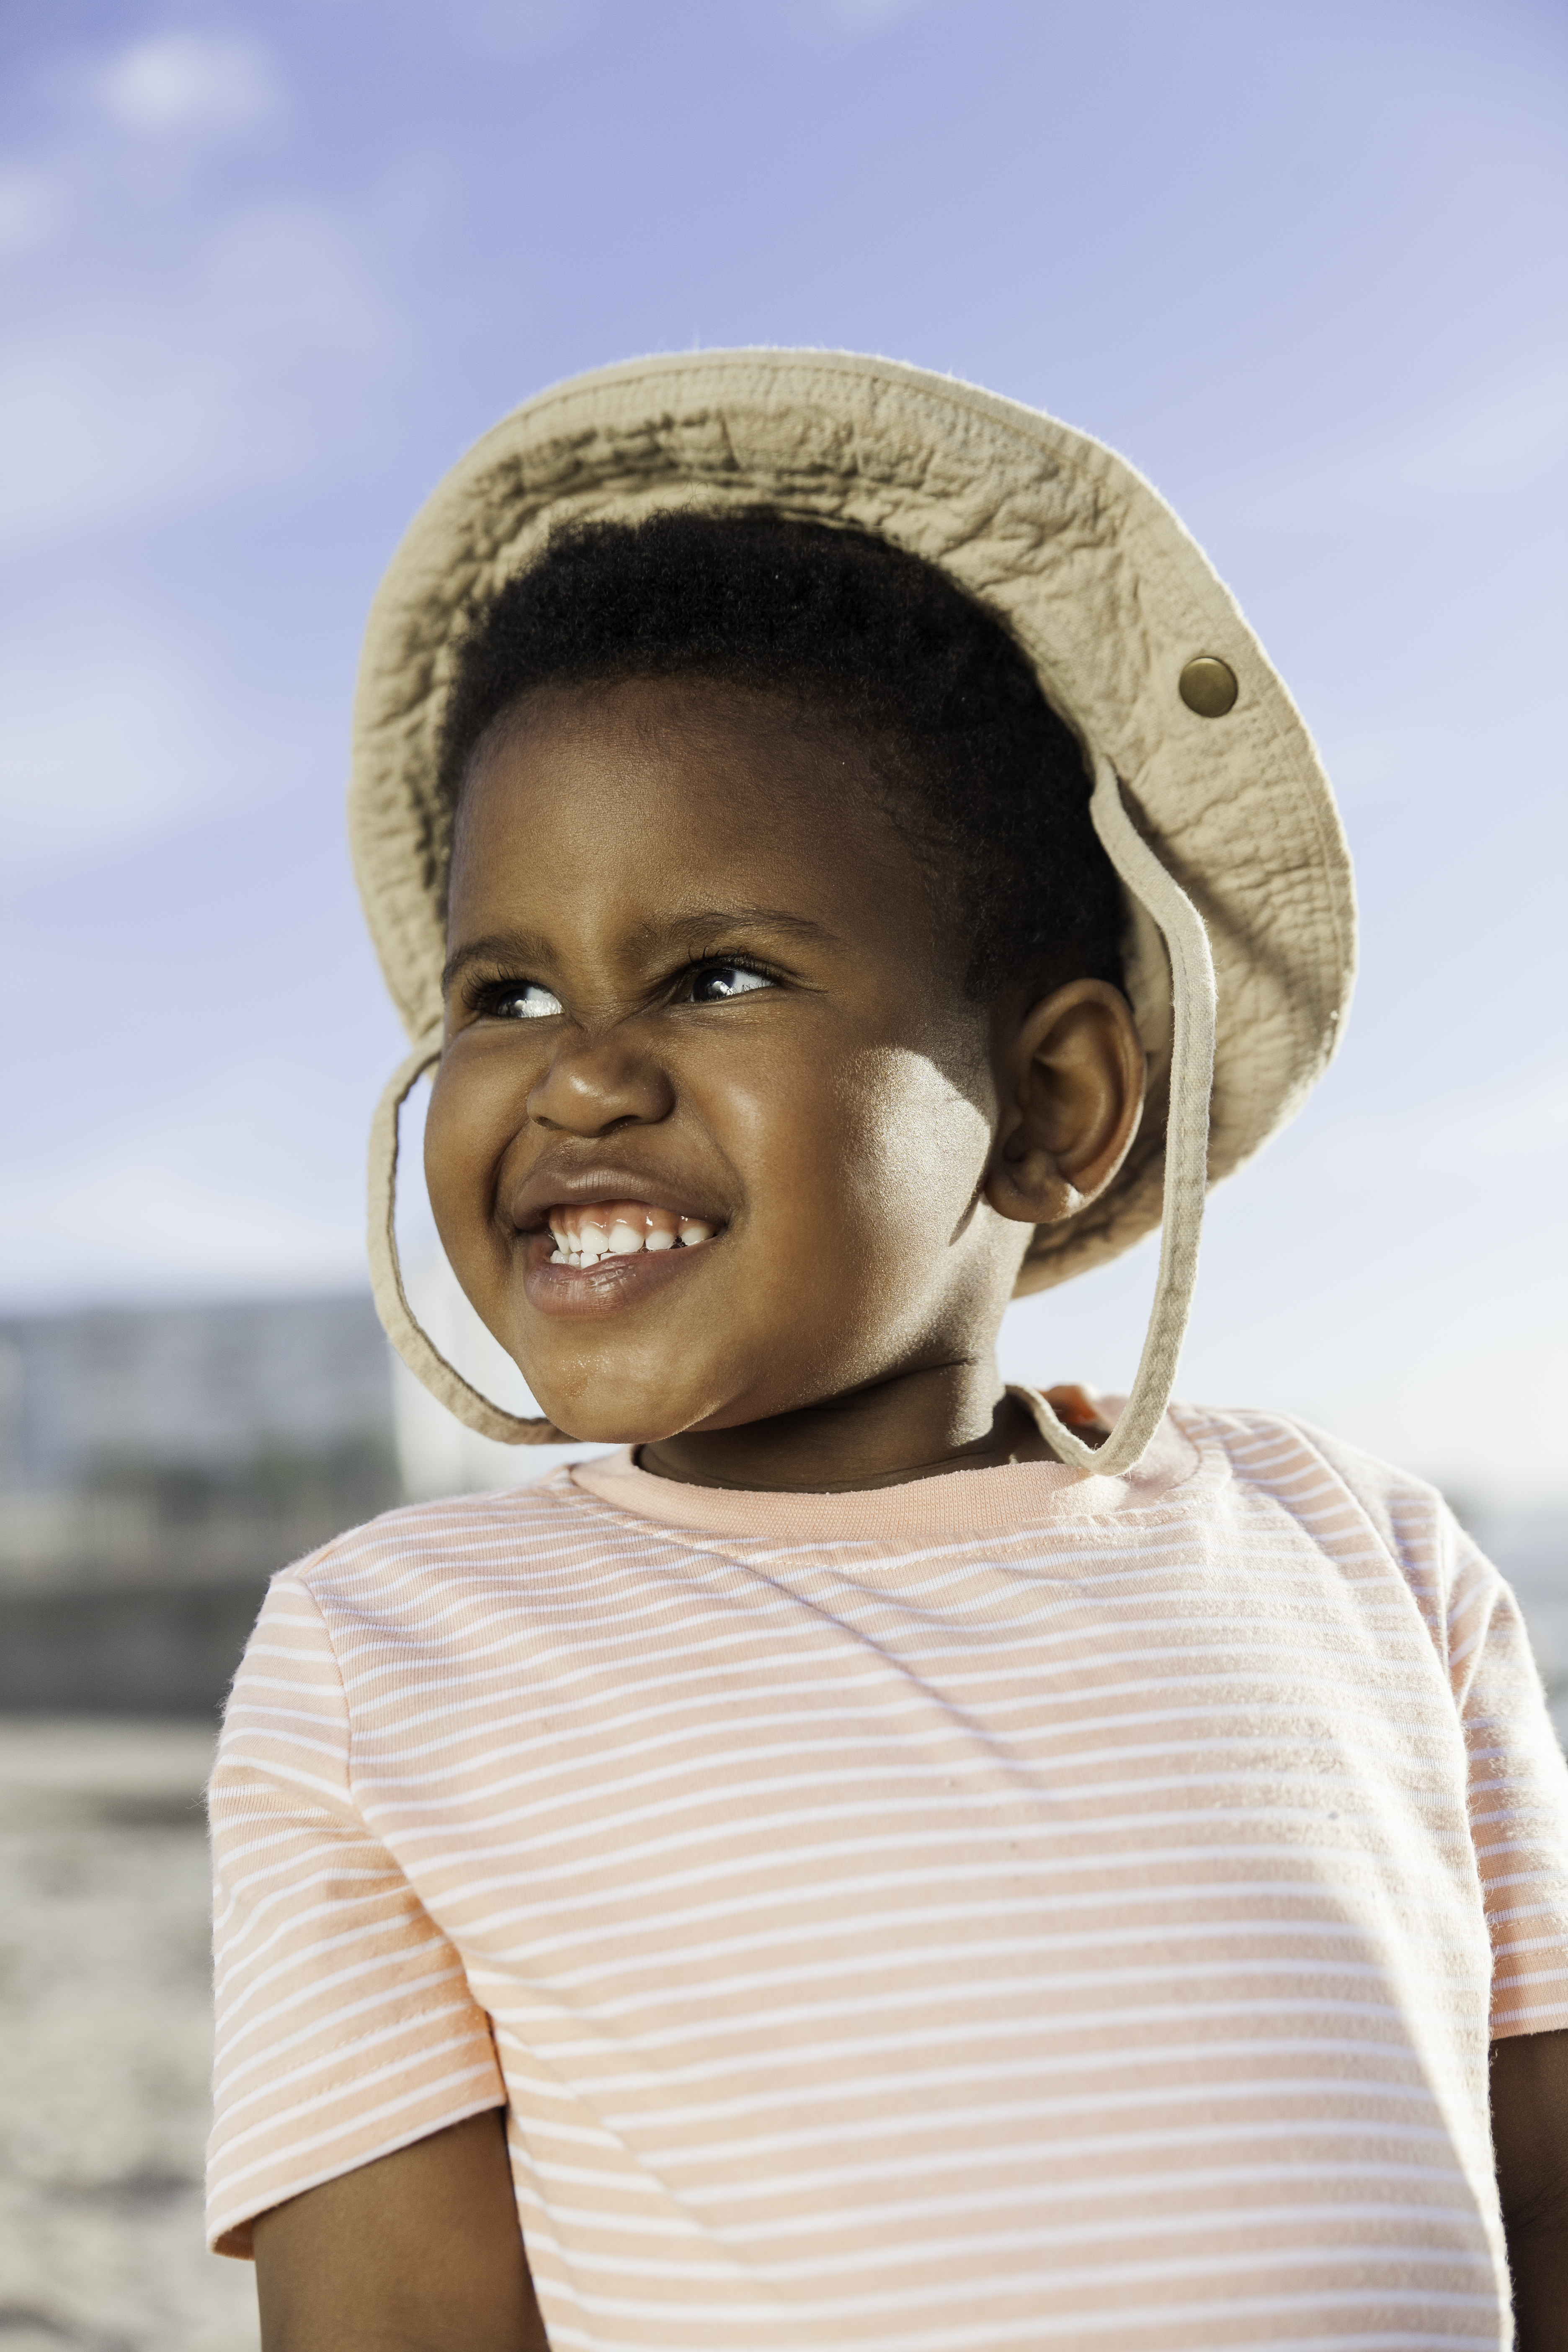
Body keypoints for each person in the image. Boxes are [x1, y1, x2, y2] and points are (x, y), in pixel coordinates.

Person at [205, 353, 1568, 2352]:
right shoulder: (384, 1662)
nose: (577, 1073)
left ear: (1055, 1103)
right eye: (503, 990)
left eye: (718, 972)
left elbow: (1538, 2196)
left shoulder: (1370, 1561)